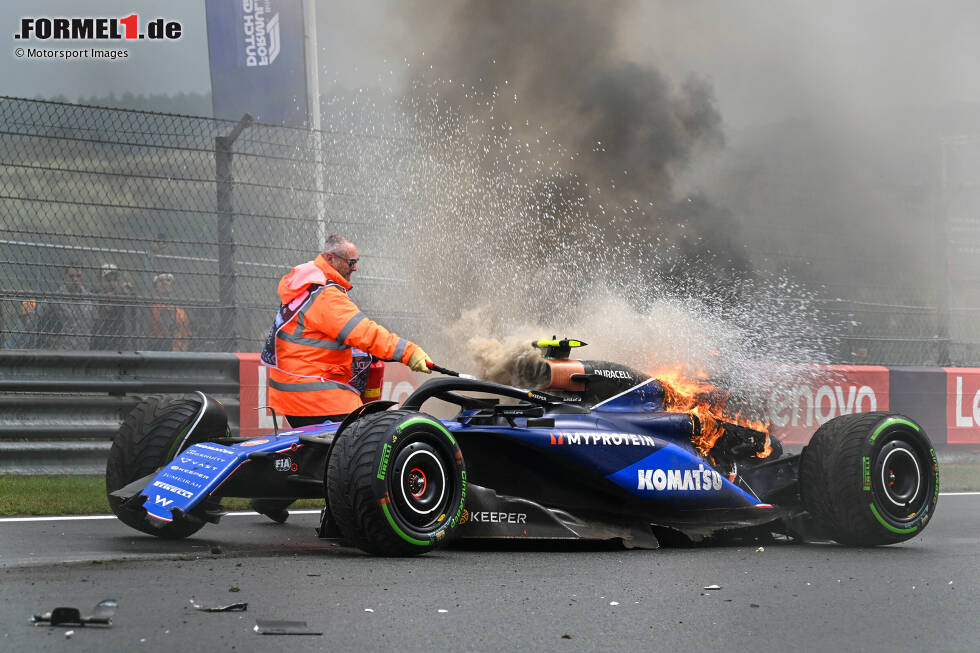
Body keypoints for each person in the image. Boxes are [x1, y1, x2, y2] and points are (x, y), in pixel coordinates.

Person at [255, 234, 433, 523]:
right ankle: (341, 517)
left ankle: (269, 497)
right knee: (363, 442)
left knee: (318, 451)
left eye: (356, 262)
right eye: (351, 262)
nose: (355, 268)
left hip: (295, 391)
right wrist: (409, 352)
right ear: (331, 259)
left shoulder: (307, 288)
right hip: (313, 392)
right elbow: (365, 333)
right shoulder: (326, 296)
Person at [35, 263, 95, 350]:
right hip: (62, 351)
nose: (75, 279)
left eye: (78, 276)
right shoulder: (55, 298)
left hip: (84, 351)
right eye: (71, 276)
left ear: (82, 277)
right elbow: (36, 316)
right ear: (65, 277)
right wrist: (45, 337)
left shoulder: (90, 298)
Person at [147, 273, 191, 351]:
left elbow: (186, 336)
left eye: (168, 280)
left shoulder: (180, 311)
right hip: (157, 350)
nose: (164, 283)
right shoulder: (151, 308)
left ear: (172, 286)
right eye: (160, 281)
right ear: (155, 287)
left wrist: (182, 353)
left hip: (176, 352)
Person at [90, 263, 125, 350]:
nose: (112, 284)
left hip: (116, 345)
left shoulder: (120, 300)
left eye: (115, 280)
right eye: (108, 280)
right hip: (96, 345)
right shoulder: (93, 296)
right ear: (100, 280)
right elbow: (95, 326)